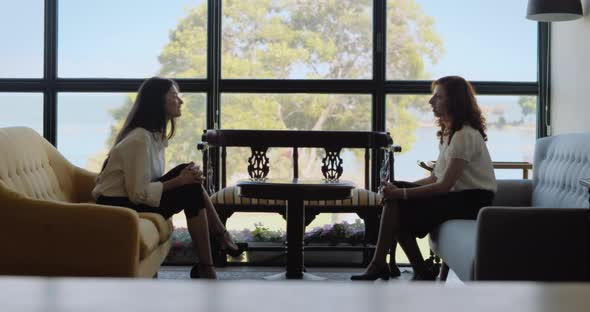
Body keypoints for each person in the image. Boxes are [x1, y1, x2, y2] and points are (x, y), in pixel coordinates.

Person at [92, 77, 244, 279]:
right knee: (188, 184)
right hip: (116, 204)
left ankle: (215, 247)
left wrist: (183, 177)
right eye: (174, 96)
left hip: (130, 200)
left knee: (188, 175)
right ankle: (214, 251)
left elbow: (150, 184)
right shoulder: (139, 139)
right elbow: (138, 194)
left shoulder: (154, 137)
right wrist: (180, 181)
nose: (180, 101)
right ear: (158, 102)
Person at [351, 76, 497, 281]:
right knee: (396, 200)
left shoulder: (465, 135)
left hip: (473, 201)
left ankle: (385, 265)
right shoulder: (450, 132)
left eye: (438, 97)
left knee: (397, 203)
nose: (431, 102)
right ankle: (405, 268)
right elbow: (436, 177)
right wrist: (398, 187)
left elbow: (443, 186)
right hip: (459, 196)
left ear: (454, 101)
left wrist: (400, 193)